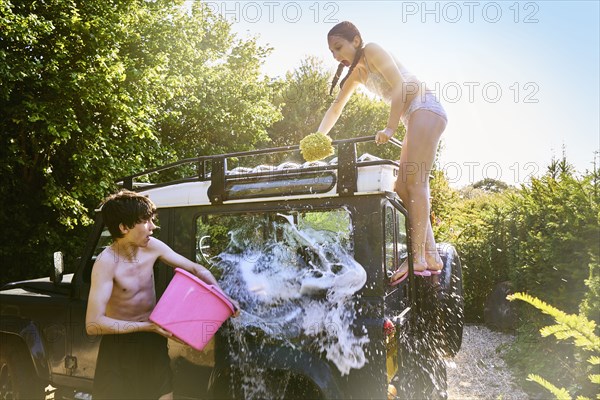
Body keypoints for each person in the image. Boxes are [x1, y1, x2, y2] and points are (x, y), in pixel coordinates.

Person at [316, 21, 447, 284]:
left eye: (338, 47)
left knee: (416, 182)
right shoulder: (356, 74)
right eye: (331, 52)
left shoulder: (372, 50)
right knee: (400, 187)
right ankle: (431, 254)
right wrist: (317, 138)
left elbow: (400, 86)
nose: (336, 56)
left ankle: (417, 256)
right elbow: (336, 107)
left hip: (425, 105)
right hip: (414, 115)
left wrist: (390, 128)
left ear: (356, 41)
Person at [86, 189, 238, 399]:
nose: (153, 226)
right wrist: (148, 326)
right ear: (123, 227)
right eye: (145, 221)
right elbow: (93, 324)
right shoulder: (105, 263)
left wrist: (223, 296)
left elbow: (196, 269)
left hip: (153, 340)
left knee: (164, 396)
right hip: (120, 348)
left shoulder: (152, 247)